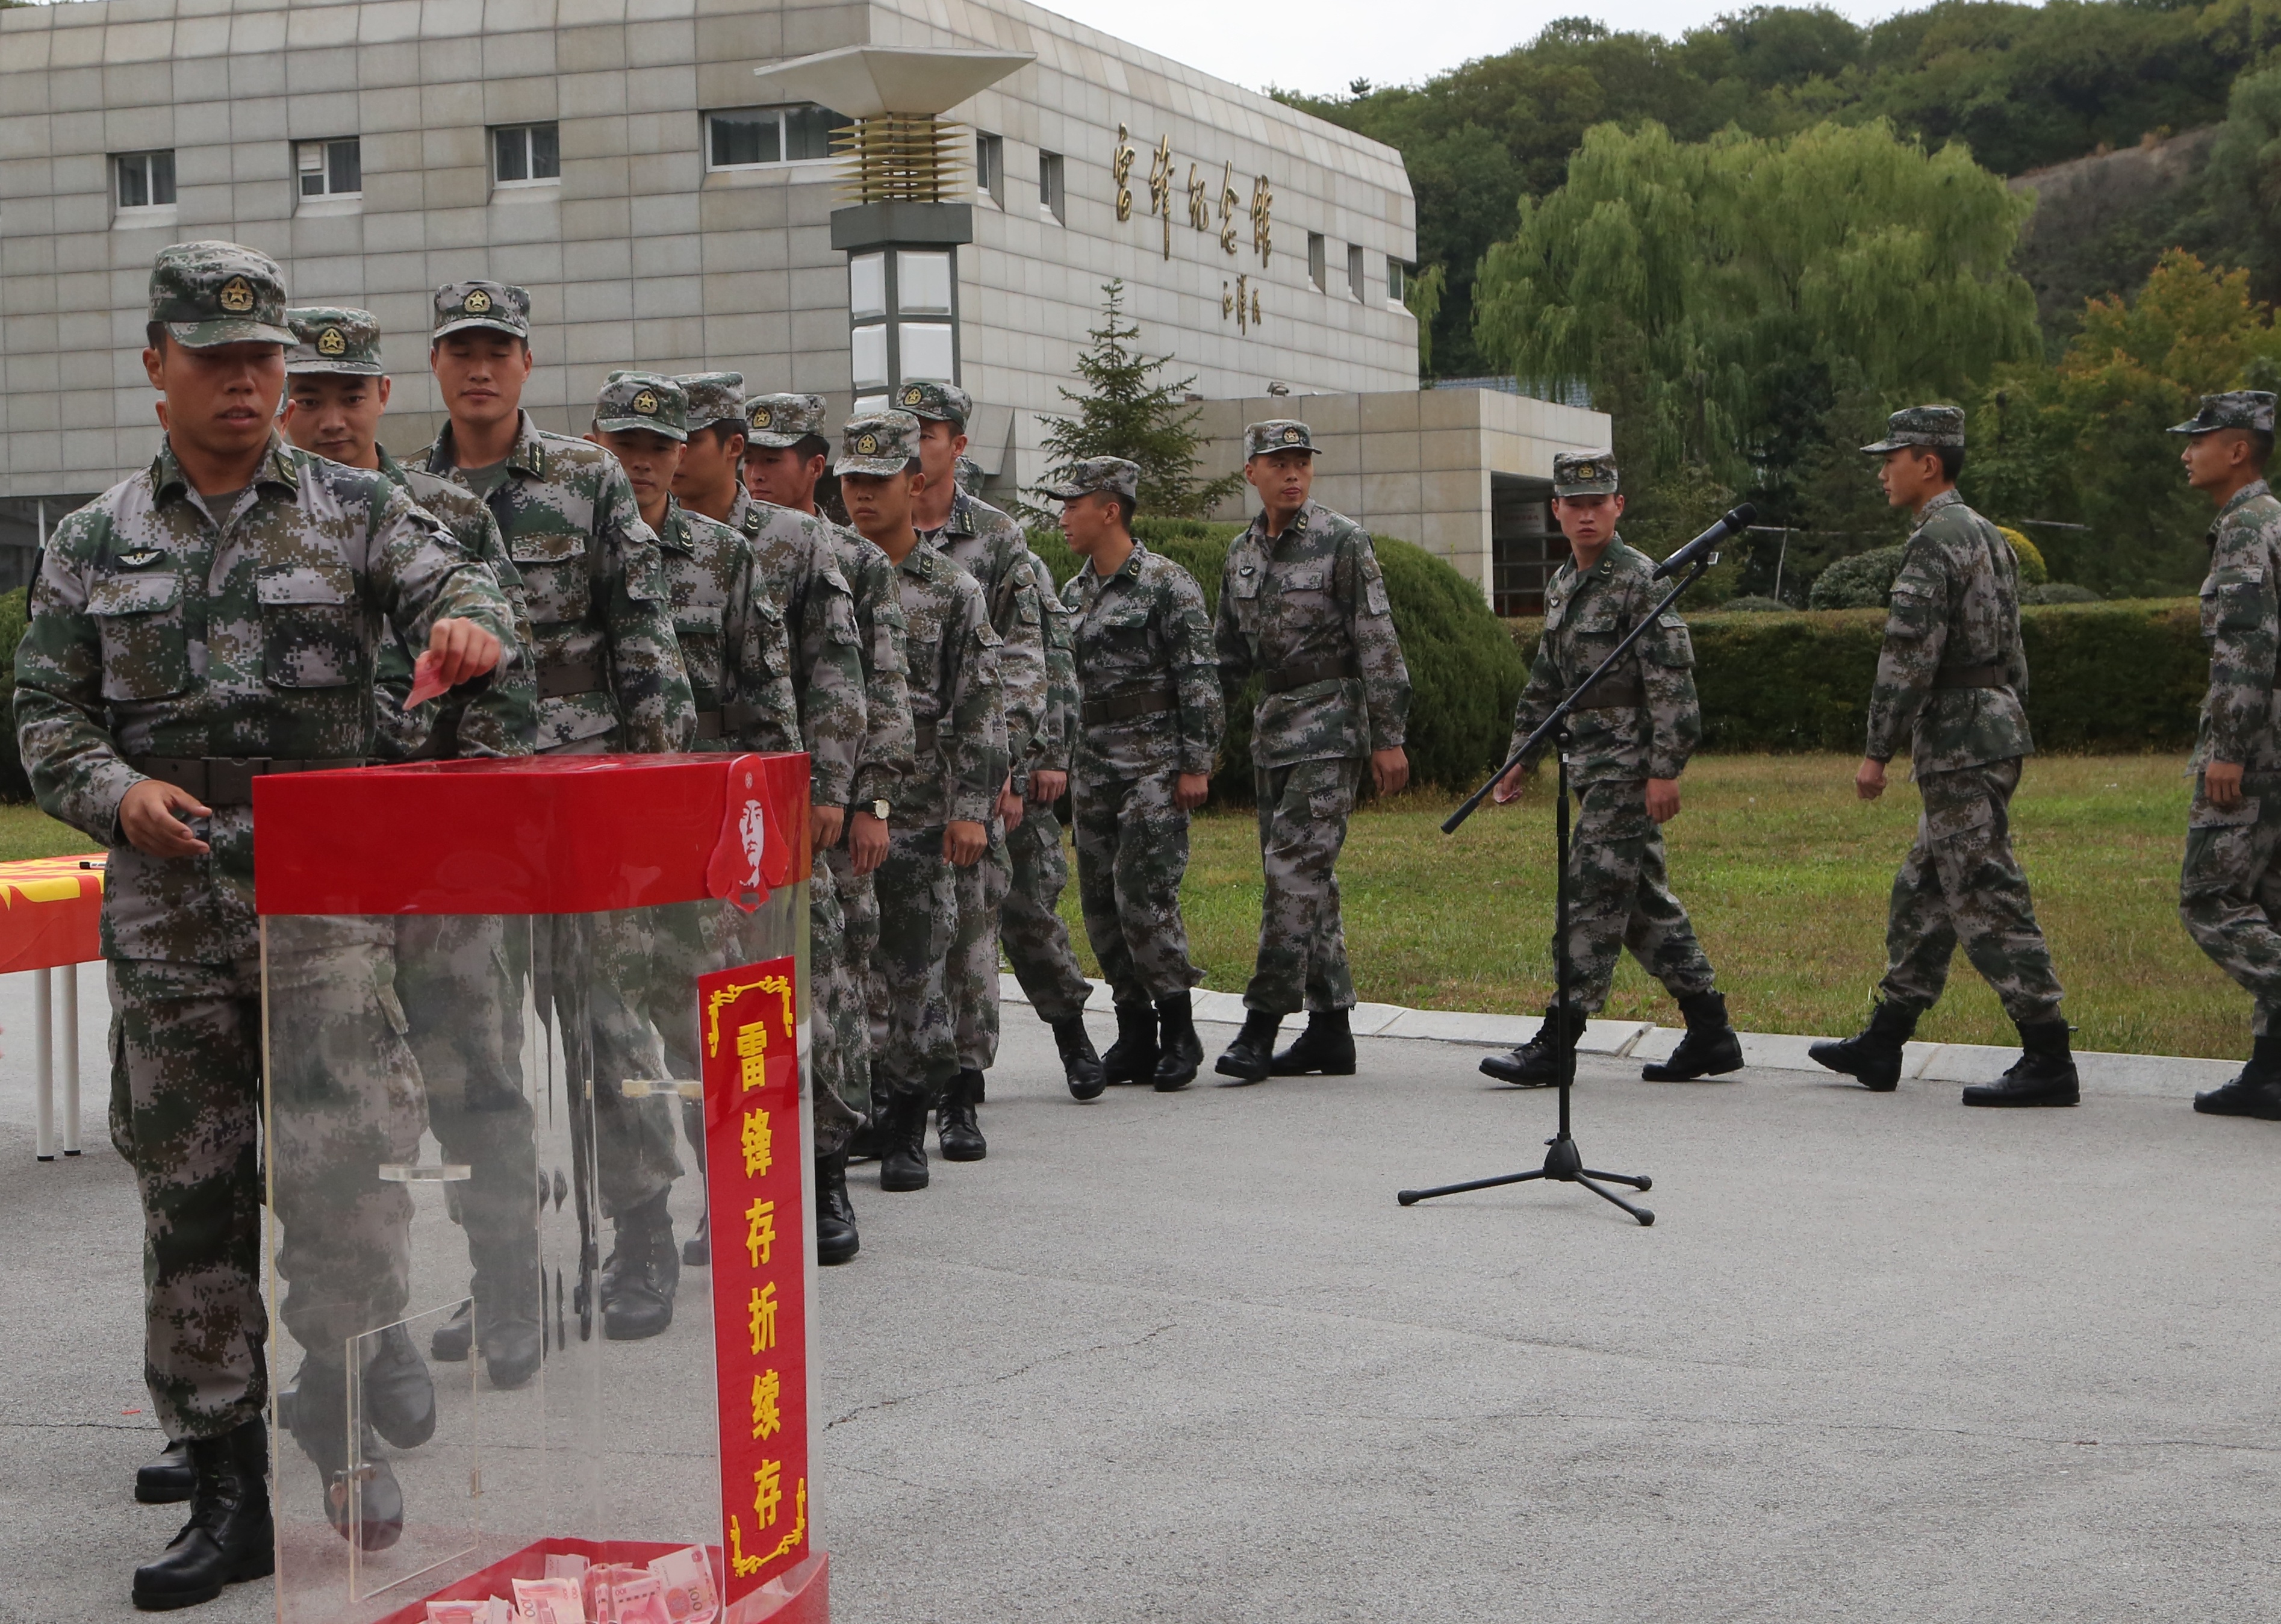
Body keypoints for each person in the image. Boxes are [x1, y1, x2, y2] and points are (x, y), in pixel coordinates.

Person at [13, 241, 512, 1607]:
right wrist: (116, 796)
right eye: (216, 358)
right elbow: (46, 716)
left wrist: (470, 629)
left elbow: (460, 585)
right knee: (194, 1202)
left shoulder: (356, 510)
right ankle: (224, 1487)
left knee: (344, 1184)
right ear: (156, 364)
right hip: (171, 911)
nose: (245, 381)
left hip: (323, 908)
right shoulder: (95, 536)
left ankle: (347, 1439)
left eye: (263, 360)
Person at [408, 284, 699, 1337]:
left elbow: (646, 635)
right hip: (468, 817)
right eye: (460, 351)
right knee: (471, 1047)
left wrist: (654, 792)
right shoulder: (410, 492)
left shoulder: (585, 479)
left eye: (497, 350)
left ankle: (642, 1236)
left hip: (585, 804)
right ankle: (503, 1272)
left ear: (527, 363)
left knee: (607, 1028)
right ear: (435, 368)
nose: (479, 368)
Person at [277, 306, 549, 1402]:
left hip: (439, 868)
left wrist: (450, 825)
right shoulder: (244, 532)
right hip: (313, 881)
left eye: (351, 395)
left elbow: (507, 688)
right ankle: (355, 1345)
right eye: (311, 397)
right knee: (332, 1118)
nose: (331, 418)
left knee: (475, 1082)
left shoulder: (433, 517)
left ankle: (509, 1280)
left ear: (387, 398)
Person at [1808, 405, 2077, 1107]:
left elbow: (1906, 656)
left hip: (1958, 742)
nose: (1880, 470)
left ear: (1927, 463)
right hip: (1988, 731)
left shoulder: (1935, 540)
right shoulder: (1986, 533)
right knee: (1922, 893)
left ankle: (2048, 1052)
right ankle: (1882, 1040)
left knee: (1984, 892)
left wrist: (1875, 752)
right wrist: (2008, 719)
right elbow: (2012, 650)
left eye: (1890, 457)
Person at [674, 371, 870, 1262]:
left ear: (731, 446)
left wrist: (830, 789)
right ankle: (732, 1184)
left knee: (808, 983)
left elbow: (834, 668)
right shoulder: (642, 539)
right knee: (703, 999)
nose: (672, 459)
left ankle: (825, 1173)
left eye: (693, 440)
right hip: (686, 801)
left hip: (778, 796)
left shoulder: (793, 541)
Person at [1480, 451, 1740, 1086]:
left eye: (1599, 503)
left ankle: (1558, 1039)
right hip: (1588, 765)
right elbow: (1546, 681)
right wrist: (1520, 757)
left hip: (1626, 768)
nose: (1587, 514)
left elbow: (1671, 686)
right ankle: (1710, 1030)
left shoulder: (1641, 581)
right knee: (1640, 903)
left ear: (1617, 507)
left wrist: (1664, 769)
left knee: (1589, 895)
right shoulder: (1563, 582)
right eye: (1575, 504)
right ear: (1557, 511)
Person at [745, 393, 916, 1165]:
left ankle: (842, 1135)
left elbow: (882, 694)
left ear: (813, 466)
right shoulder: (724, 548)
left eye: (772, 460)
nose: (756, 473)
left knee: (841, 966)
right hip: (754, 808)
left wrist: (870, 803)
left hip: (833, 805)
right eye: (746, 458)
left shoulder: (854, 562)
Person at [1212, 420, 1411, 1081]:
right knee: (1311, 887)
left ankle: (1259, 1025)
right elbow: (1225, 661)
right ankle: (1330, 1030)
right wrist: (1199, 745)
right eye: (1278, 464)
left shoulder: (1341, 540)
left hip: (1330, 727)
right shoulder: (1240, 554)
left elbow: (1377, 639)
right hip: (1273, 732)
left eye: (1301, 462)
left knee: (1290, 874)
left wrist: (1388, 737)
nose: (1292, 473)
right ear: (1252, 474)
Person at [836, 411, 1004, 1192]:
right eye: (851, 480)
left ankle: (915, 1114)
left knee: (919, 966)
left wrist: (972, 806)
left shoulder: (953, 589)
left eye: (878, 481)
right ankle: (862, 1105)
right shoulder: (824, 570)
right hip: (840, 809)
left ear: (915, 483)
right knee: (852, 969)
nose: (862, 496)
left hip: (925, 807)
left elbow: (980, 708)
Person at [903, 382, 1050, 1158]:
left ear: (958, 445)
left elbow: (1025, 661)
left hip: (968, 764)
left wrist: (1004, 763)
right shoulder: (861, 532)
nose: (913, 446)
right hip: (893, 772)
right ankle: (900, 1086)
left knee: (968, 931)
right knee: (896, 936)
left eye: (927, 433)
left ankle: (962, 1089)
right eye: (904, 433)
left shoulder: (995, 540)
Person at [1053, 457, 1223, 1090]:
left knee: (1143, 897)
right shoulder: (1074, 593)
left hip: (1153, 761)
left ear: (1111, 510)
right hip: (1093, 763)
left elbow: (1198, 676)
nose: (1063, 517)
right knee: (1099, 903)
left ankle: (1179, 1029)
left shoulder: (1165, 583)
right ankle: (1134, 1032)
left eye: (1075, 505)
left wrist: (1194, 763)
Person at [2169, 390, 2281, 1121]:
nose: (2186, 451)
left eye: (2199, 439)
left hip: (2257, 746)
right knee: (2270, 901)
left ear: (2236, 449)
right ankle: (2269, 1073)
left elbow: (2246, 644)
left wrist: (2228, 750)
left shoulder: (2246, 524)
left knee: (2209, 898)